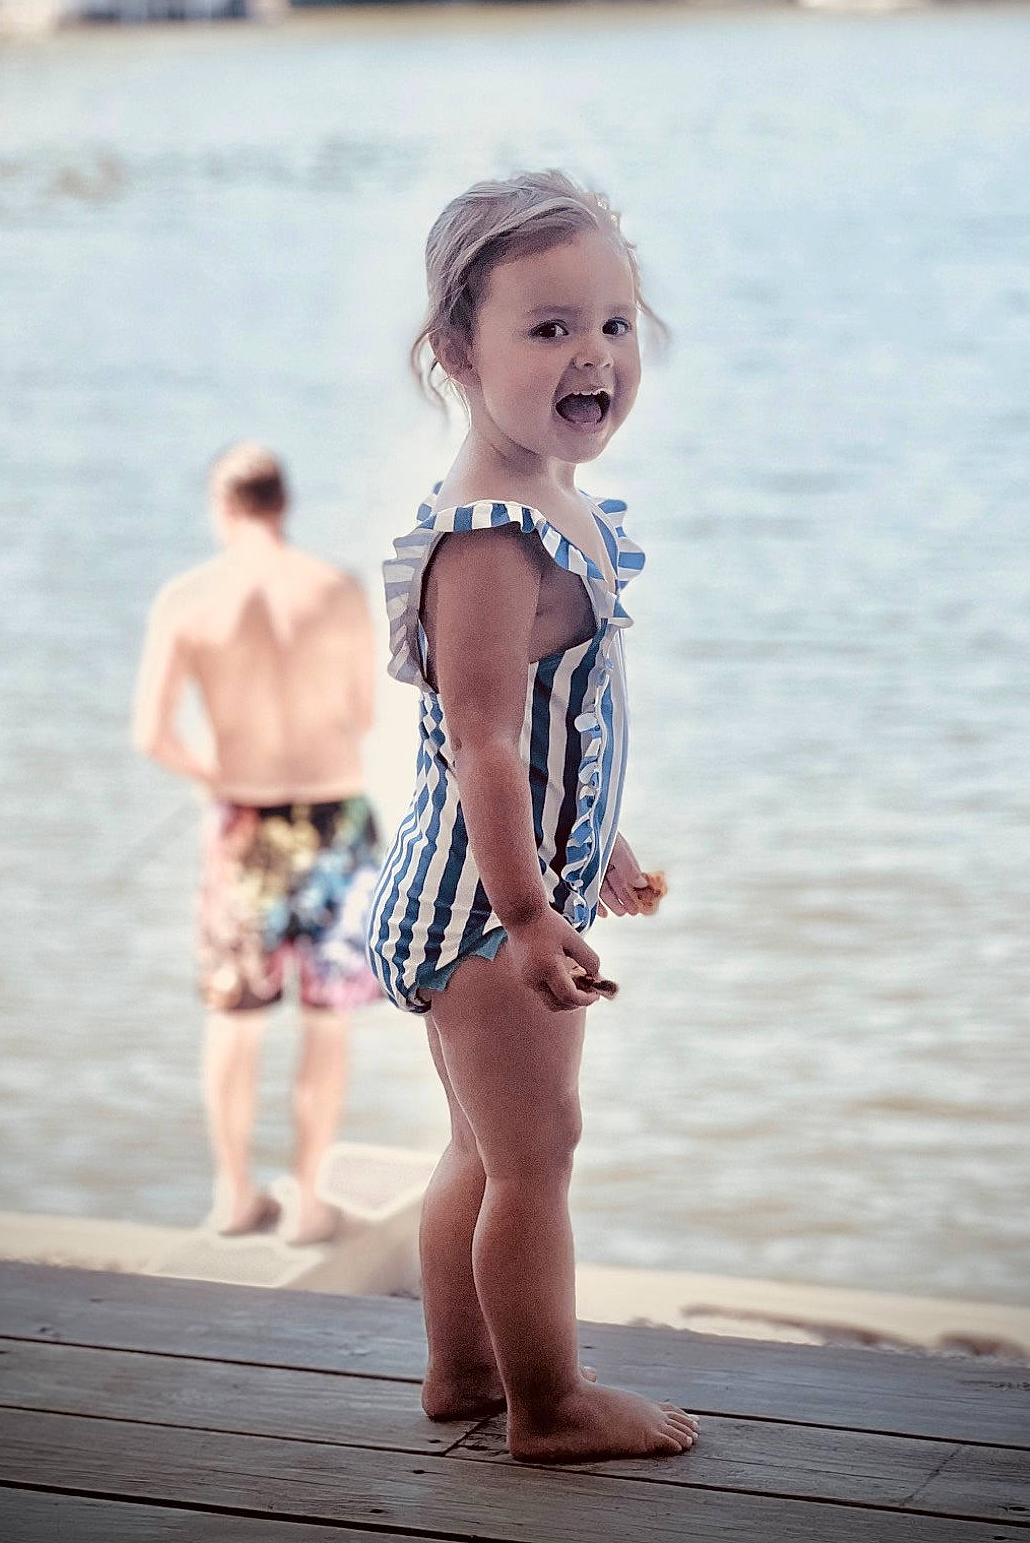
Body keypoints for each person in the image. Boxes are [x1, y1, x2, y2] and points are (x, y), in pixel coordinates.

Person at [366, 171, 698, 1463]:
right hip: (482, 912)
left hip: (477, 888)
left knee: (480, 1147)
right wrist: (527, 915)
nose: (595, 355)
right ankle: (548, 1406)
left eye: (615, 323)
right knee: (537, 1156)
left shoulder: (550, 501)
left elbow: (551, 734)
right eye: (549, 328)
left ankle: (461, 1373)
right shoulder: (492, 541)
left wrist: (594, 843)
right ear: (459, 351)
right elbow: (487, 746)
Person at [133, 442, 381, 1241]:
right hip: (335, 821)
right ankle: (309, 1203)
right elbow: (365, 713)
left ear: (223, 508)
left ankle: (234, 1195)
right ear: (284, 504)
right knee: (326, 1020)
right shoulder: (338, 589)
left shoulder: (188, 598)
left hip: (248, 824)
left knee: (236, 1022)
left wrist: (214, 772)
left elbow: (151, 733)